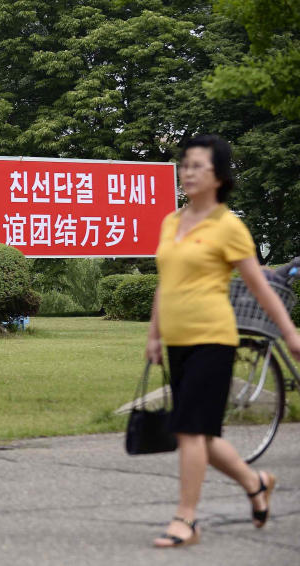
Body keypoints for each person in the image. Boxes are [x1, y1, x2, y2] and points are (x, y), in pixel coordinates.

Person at [146, 134, 300, 548]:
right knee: (199, 433)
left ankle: (186, 519)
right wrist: (154, 334)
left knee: (191, 430)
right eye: (185, 164)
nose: (188, 172)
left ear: (219, 176)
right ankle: (256, 483)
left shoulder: (228, 227)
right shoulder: (172, 221)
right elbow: (166, 282)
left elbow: (261, 287)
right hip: (176, 341)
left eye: (198, 165)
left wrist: (289, 332)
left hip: (213, 339)